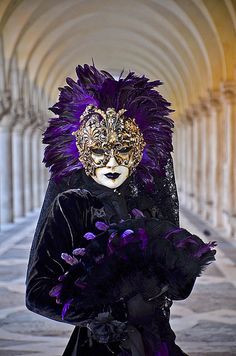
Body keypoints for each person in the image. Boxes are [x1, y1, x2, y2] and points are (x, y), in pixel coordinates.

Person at [26, 65, 216, 356]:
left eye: (123, 149)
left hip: (156, 341)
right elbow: (37, 293)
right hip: (98, 344)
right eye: (100, 150)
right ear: (82, 151)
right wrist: (110, 312)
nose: (112, 163)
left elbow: (179, 287)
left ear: (140, 149)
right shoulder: (72, 205)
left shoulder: (149, 204)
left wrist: (168, 278)